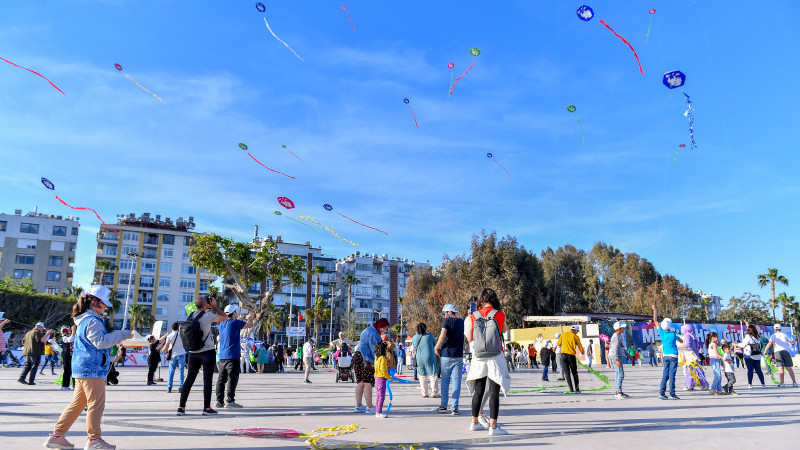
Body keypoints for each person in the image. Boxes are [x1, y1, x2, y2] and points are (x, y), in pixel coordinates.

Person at [43, 285, 131, 450]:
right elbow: (101, 342)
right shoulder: (93, 321)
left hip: (82, 368)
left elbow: (92, 344)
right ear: (95, 302)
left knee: (77, 404)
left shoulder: (83, 320)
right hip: (92, 370)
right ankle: (94, 440)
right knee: (96, 405)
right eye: (103, 303)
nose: (105, 307)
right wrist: (123, 334)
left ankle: (57, 436)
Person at [466, 288, 510, 436]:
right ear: (494, 299)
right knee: (493, 392)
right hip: (495, 357)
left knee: (478, 391)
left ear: (481, 300)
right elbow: (504, 330)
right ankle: (493, 427)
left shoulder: (474, 315)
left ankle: (474, 423)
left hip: (479, 357)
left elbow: (470, 338)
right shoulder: (499, 314)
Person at [177, 296, 228, 416]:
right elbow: (225, 317)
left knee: (189, 380)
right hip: (207, 351)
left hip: (193, 352)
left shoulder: (191, 315)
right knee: (207, 380)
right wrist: (214, 305)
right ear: (206, 305)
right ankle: (206, 408)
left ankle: (181, 407)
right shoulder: (208, 316)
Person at [215, 304, 253, 409]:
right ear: (234, 313)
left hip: (222, 356)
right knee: (232, 378)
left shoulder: (221, 324)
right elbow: (250, 325)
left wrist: (239, 320)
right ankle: (230, 401)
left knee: (221, 379)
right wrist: (249, 318)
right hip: (232, 355)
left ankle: (219, 401)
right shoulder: (235, 322)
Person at [353, 318, 390, 414]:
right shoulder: (374, 334)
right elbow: (375, 350)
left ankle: (358, 406)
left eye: (385, 329)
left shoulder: (368, 329)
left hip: (357, 356)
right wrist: (380, 362)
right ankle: (370, 407)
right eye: (383, 328)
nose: (384, 331)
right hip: (366, 360)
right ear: (379, 326)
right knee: (368, 383)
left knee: (360, 383)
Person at [434, 304, 465, 415]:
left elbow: (442, 335)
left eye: (444, 313)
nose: (443, 316)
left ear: (448, 312)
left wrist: (436, 346)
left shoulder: (446, 322)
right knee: (456, 381)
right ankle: (455, 407)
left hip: (446, 354)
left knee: (445, 381)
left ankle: (443, 405)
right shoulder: (462, 322)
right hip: (458, 355)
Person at [652, 303, 683, 400]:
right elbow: (681, 340)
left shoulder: (661, 332)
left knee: (665, 374)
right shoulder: (673, 334)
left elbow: (655, 321)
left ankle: (662, 393)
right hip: (673, 356)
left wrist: (654, 309)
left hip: (665, 356)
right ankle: (672, 394)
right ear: (669, 326)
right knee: (672, 375)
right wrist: (680, 340)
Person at [678, 324, 709, 391]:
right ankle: (690, 385)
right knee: (690, 370)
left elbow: (687, 345)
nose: (682, 330)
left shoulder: (688, 336)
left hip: (691, 357)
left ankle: (704, 384)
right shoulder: (691, 335)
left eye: (682, 329)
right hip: (691, 356)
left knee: (696, 370)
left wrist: (678, 347)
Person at [412, 322, 439, 398]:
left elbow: (414, 347)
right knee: (433, 375)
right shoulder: (429, 336)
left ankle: (424, 393)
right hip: (430, 357)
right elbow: (436, 343)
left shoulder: (414, 337)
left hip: (419, 358)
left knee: (422, 376)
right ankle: (434, 393)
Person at [556, 325, 584, 394]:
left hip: (563, 355)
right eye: (577, 331)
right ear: (576, 331)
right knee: (574, 372)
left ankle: (571, 389)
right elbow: (579, 345)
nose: (577, 333)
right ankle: (577, 389)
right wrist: (582, 352)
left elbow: (558, 343)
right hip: (571, 355)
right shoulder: (575, 336)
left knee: (567, 373)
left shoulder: (563, 334)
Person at [737, 323, 766, 388]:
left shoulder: (748, 336)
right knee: (759, 370)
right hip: (757, 355)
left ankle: (750, 384)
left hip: (749, 355)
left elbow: (743, 344)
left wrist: (736, 344)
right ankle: (763, 384)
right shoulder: (757, 337)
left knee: (750, 370)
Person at [609, 322, 628, 399]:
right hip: (615, 356)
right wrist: (617, 359)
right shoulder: (615, 336)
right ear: (619, 329)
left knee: (618, 373)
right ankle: (618, 392)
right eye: (623, 328)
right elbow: (614, 349)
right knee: (620, 374)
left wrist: (628, 355)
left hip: (617, 356)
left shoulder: (619, 335)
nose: (624, 329)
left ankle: (618, 391)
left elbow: (622, 346)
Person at [373, 341, 391, 418]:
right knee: (381, 396)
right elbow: (383, 370)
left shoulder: (376, 358)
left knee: (378, 395)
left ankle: (378, 411)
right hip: (381, 378)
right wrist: (389, 377)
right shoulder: (382, 358)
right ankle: (379, 412)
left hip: (377, 377)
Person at [60, 326, 75, 391]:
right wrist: (73, 331)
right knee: (67, 370)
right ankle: (65, 385)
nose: (70, 330)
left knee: (74, 371)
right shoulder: (64, 337)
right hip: (67, 355)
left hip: (73, 355)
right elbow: (70, 339)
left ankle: (75, 385)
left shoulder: (71, 335)